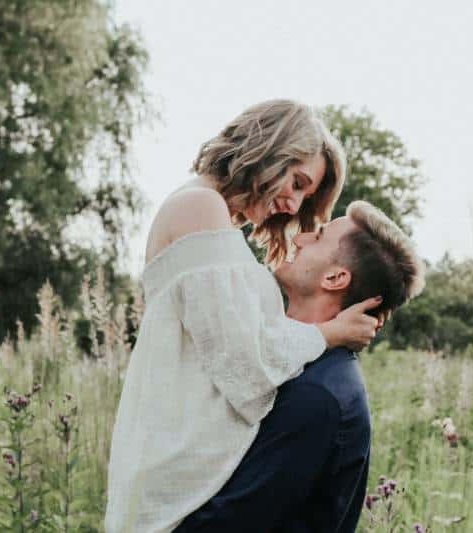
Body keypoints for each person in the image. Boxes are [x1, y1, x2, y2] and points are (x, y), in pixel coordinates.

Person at [104, 100, 390, 533]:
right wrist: (330, 333)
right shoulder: (199, 207)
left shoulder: (211, 215)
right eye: (296, 182)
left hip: (190, 474)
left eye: (303, 195)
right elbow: (244, 366)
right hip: (178, 482)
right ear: (271, 147)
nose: (293, 206)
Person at [176, 200, 425, 532]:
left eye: (318, 237)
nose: (298, 239)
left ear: (335, 277)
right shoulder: (292, 360)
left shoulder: (317, 394)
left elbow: (232, 522)